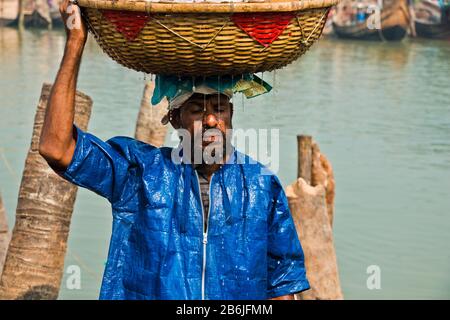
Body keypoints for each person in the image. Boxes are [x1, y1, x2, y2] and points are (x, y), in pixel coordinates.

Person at [39, 0, 310, 299]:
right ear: (175, 119)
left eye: (219, 108)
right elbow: (56, 147)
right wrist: (75, 43)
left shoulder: (261, 185)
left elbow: (283, 285)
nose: (210, 120)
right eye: (196, 109)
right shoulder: (141, 175)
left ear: (231, 116)